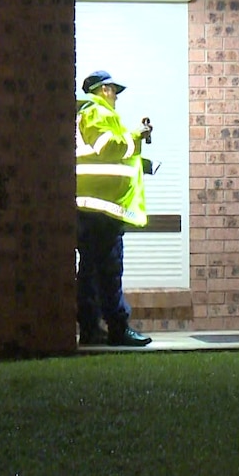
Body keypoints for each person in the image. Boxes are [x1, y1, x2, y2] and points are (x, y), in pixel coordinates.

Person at [75, 70, 153, 346]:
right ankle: (117, 328)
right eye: (114, 91)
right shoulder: (96, 112)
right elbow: (108, 148)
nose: (116, 98)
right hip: (100, 210)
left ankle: (91, 329)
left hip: (95, 207)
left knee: (91, 272)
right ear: (104, 89)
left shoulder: (90, 113)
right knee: (108, 270)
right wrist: (137, 136)